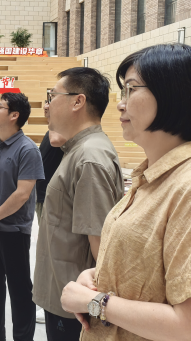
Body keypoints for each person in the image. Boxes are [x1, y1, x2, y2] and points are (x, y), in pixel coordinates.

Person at [60, 44, 191, 340]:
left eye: (131, 90)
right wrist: (98, 277)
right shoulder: (150, 176)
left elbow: (186, 325)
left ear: (173, 94)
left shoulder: (186, 187)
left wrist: (95, 302)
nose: (121, 104)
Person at [33, 67, 124, 341]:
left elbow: (101, 245)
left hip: (75, 305)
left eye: (53, 96)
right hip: (65, 294)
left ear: (77, 101)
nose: (48, 104)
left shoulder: (89, 157)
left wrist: (96, 305)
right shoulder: (76, 150)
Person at [0, 93, 45, 341]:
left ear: (14, 115)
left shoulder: (28, 150)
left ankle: (22, 338)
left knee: (19, 290)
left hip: (13, 231)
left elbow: (22, 194)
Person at [35, 99, 66, 325]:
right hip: (42, 198)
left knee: (54, 253)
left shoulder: (59, 134)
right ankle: (49, 300)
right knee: (46, 251)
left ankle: (56, 303)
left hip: (52, 200)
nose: (46, 107)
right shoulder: (51, 132)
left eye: (51, 102)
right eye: (45, 102)